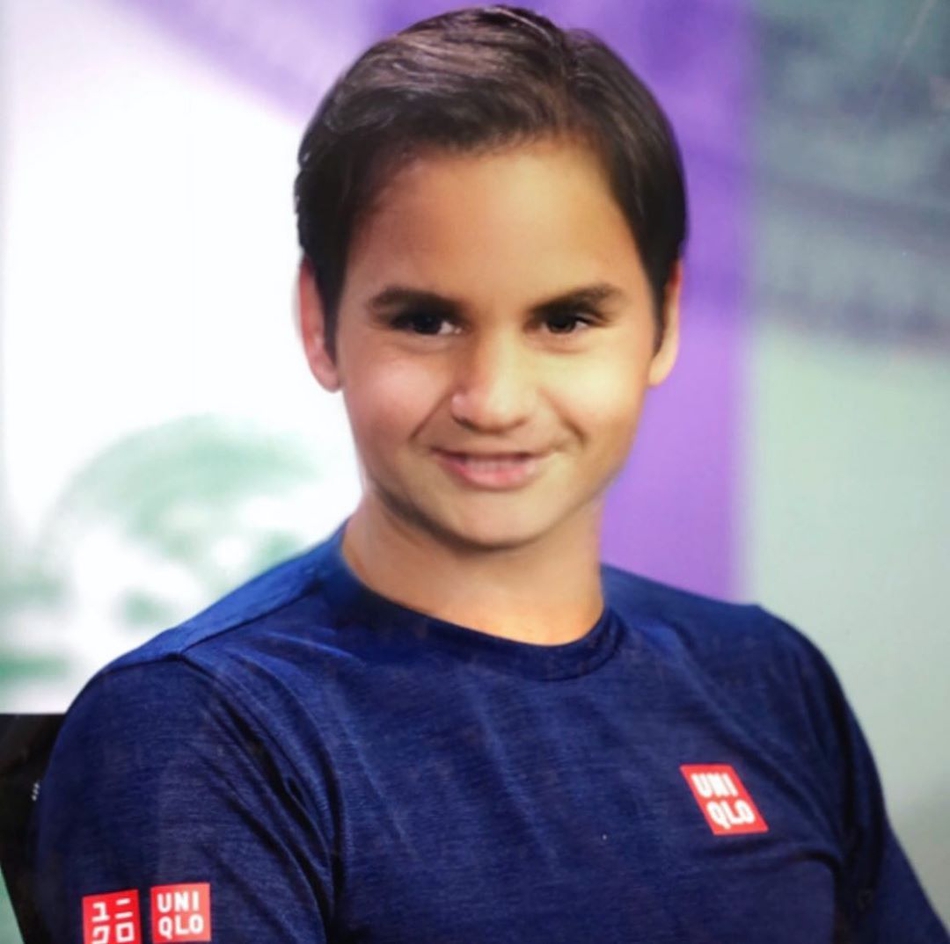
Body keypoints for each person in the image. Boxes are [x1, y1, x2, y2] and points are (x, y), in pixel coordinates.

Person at [31, 6, 947, 943]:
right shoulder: (197, 728)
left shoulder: (767, 676)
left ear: (664, 319)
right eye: (426, 321)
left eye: (566, 320)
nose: (495, 398)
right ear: (320, 322)